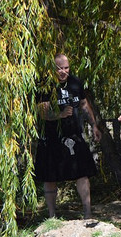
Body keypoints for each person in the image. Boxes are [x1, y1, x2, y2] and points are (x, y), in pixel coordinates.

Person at [36, 53, 102, 219]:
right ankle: (52, 216)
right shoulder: (45, 85)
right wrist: (61, 115)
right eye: (60, 68)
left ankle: (88, 214)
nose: (64, 72)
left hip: (73, 133)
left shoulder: (75, 83)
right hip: (51, 136)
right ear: (54, 69)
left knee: (82, 173)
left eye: (66, 68)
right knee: (50, 176)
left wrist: (94, 125)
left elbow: (84, 105)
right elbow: (43, 113)